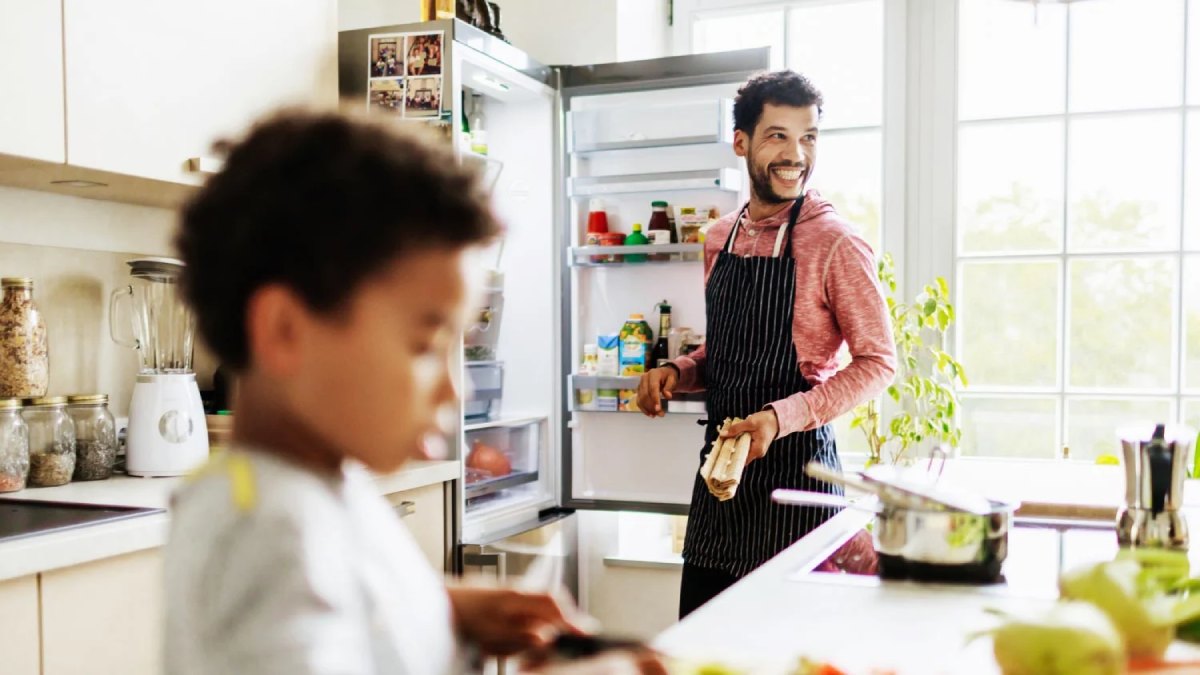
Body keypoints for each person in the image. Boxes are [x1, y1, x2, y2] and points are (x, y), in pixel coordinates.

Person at [165, 111, 662, 674]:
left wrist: (443, 609)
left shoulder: (314, 484)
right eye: (426, 345)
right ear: (285, 332)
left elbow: (347, 606)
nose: (454, 388)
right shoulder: (264, 535)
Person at [636, 71, 897, 619]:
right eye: (778, 135)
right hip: (721, 480)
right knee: (701, 647)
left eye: (809, 137)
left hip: (797, 486)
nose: (796, 154)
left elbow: (878, 364)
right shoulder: (718, 236)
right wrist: (679, 371)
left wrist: (779, 419)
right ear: (741, 143)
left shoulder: (835, 242)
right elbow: (727, 349)